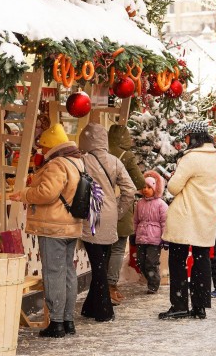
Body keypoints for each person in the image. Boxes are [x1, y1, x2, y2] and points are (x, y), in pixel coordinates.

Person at [10, 123, 82, 338]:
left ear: (51, 145)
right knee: (68, 271)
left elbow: (46, 193)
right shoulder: (77, 161)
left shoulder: (57, 164)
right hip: (71, 224)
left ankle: (56, 323)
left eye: (43, 146)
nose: (40, 150)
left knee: (53, 273)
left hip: (53, 226)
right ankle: (68, 320)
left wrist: (24, 194)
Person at [159, 121, 216, 320]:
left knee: (178, 260)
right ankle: (200, 306)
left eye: (186, 136)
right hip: (206, 214)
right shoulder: (215, 157)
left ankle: (179, 305)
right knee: (202, 259)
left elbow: (174, 187)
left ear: (193, 136)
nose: (185, 140)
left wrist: (172, 178)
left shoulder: (191, 157)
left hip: (185, 215)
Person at [78, 123, 136, 322]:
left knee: (98, 265)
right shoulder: (115, 161)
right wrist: (118, 210)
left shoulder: (82, 161)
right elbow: (129, 190)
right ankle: (90, 307)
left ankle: (104, 310)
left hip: (92, 215)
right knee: (101, 261)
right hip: (110, 214)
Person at [106, 124, 145, 305]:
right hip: (120, 205)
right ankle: (111, 286)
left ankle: (103, 285)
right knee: (118, 248)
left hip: (101, 206)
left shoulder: (100, 153)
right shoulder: (126, 156)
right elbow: (139, 182)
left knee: (104, 249)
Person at [133, 170, 167, 295]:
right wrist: (134, 234)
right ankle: (151, 279)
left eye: (149, 187)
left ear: (155, 188)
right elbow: (135, 220)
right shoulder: (139, 204)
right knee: (141, 262)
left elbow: (164, 222)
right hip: (141, 237)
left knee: (151, 262)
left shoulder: (161, 204)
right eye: (144, 187)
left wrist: (165, 238)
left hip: (154, 239)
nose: (145, 189)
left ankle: (153, 284)